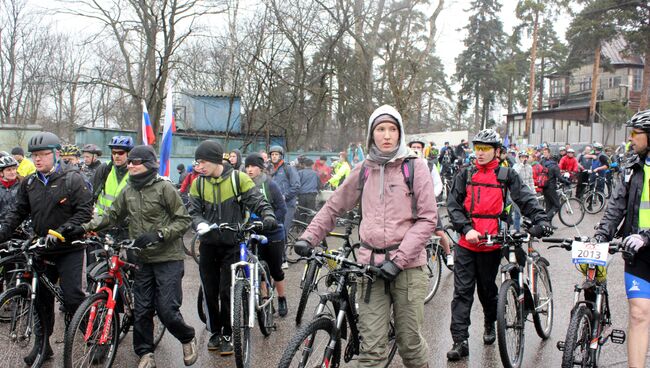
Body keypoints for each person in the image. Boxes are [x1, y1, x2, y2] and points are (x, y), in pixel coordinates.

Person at [295, 105, 436, 368]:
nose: (386, 135)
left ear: (400, 133)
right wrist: (309, 237)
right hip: (370, 270)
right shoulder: (364, 169)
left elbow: (428, 218)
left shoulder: (415, 167)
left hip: (408, 269)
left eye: (392, 129)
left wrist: (398, 260)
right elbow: (334, 206)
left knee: (409, 344)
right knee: (371, 351)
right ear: (371, 134)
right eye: (380, 129)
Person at [75, 145, 198, 368]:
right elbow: (111, 216)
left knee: (167, 310)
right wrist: (83, 227)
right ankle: (145, 354)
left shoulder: (164, 188)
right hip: (141, 259)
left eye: (135, 162)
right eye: (129, 161)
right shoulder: (129, 190)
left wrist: (159, 234)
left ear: (149, 164)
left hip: (168, 258)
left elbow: (183, 220)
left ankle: (187, 336)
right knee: (141, 310)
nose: (130, 165)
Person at [446, 129, 551, 361]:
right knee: (462, 293)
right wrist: (466, 228)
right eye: (477, 148)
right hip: (467, 243)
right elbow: (453, 205)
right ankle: (460, 341)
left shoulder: (506, 175)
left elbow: (525, 199)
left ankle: (489, 321)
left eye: (485, 149)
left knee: (487, 291)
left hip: (492, 244)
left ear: (497, 151)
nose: (480, 153)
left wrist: (541, 219)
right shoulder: (465, 174)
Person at [0, 132, 93, 365]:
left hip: (69, 247)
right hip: (42, 248)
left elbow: (84, 212)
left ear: (56, 154)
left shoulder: (73, 179)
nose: (38, 159)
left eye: (43, 154)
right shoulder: (30, 182)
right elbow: (17, 213)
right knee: (40, 301)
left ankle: (95, 339)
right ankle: (43, 346)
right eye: (34, 155)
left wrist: (64, 230)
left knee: (72, 298)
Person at [189, 140, 277, 355]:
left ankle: (229, 332)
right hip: (208, 244)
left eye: (202, 162)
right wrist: (198, 222)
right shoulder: (198, 183)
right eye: (197, 162)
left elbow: (257, 201)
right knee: (210, 291)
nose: (199, 167)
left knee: (226, 291)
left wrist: (268, 215)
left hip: (232, 243)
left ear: (214, 160)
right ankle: (215, 331)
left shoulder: (239, 179)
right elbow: (193, 210)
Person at [593, 109, 650, 368]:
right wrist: (601, 235)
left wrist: (647, 236)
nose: (631, 139)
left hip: (644, 241)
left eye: (636, 133)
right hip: (637, 253)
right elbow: (616, 205)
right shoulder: (632, 167)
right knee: (639, 314)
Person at [244, 152, 289, 316]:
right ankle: (265, 300)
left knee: (276, 269)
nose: (249, 169)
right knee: (259, 269)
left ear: (261, 168)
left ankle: (282, 298)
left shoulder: (270, 185)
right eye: (247, 166)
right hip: (254, 233)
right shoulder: (244, 185)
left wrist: (270, 221)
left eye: (253, 166)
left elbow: (282, 209)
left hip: (273, 234)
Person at [408, 139, 454, 267]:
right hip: (410, 206)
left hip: (427, 205)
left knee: (438, 231)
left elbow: (438, 183)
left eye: (418, 147)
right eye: (413, 147)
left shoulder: (429, 165)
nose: (416, 149)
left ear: (423, 150)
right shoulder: (405, 165)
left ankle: (449, 254)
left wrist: (431, 196)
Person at [541, 148, 571, 227]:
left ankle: (548, 225)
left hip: (544, 187)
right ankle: (547, 219)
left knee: (549, 206)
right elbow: (560, 178)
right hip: (551, 188)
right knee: (557, 205)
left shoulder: (545, 164)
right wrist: (567, 182)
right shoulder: (555, 166)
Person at [512, 151, 536, 231]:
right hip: (518, 192)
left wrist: (533, 191)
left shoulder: (529, 167)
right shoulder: (516, 166)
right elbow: (515, 174)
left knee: (529, 211)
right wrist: (521, 165)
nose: (524, 159)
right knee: (517, 213)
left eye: (525, 157)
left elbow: (531, 180)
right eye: (522, 157)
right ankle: (516, 230)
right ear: (519, 158)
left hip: (527, 192)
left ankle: (529, 230)